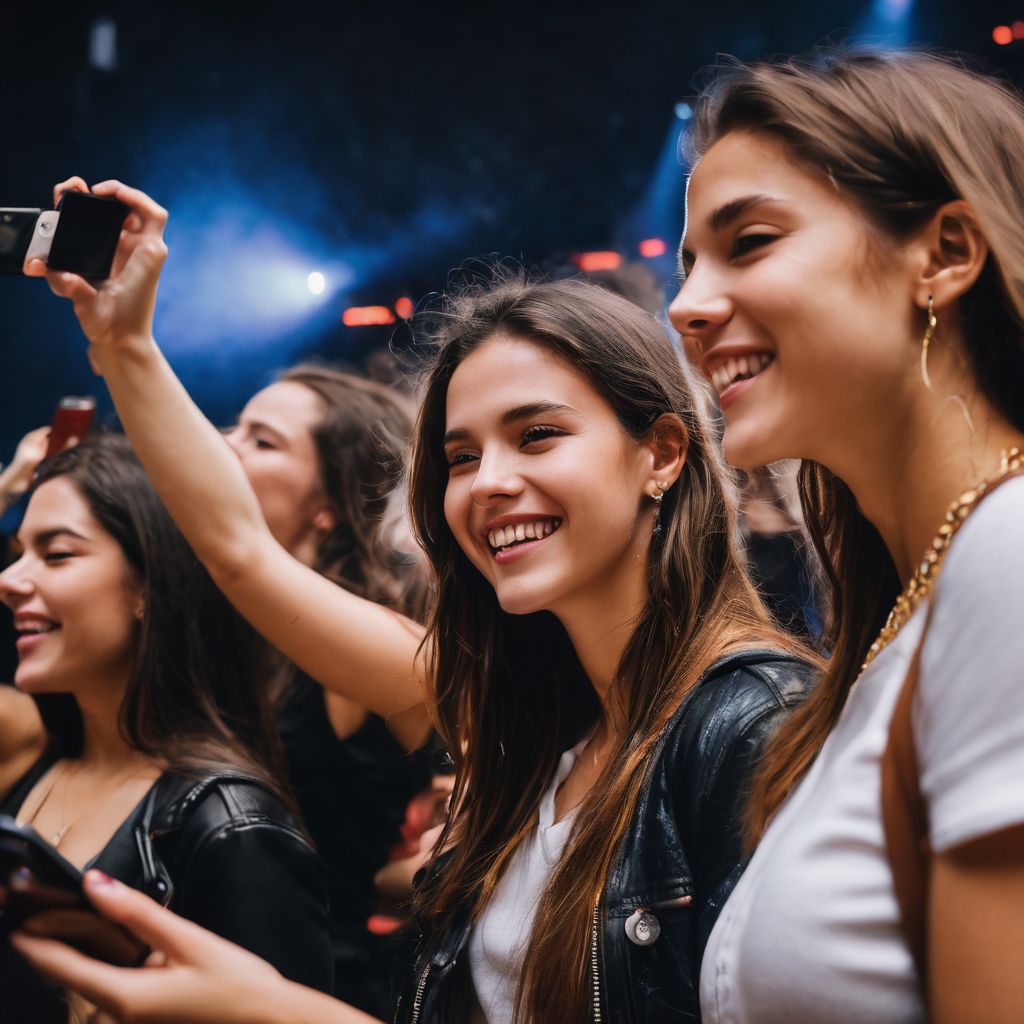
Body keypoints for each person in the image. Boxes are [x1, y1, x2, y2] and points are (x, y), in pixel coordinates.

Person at [13, 184, 815, 1023]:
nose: (492, 483)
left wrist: (274, 1012)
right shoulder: (517, 724)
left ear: (662, 453)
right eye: (462, 456)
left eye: (537, 434)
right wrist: (125, 344)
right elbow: (239, 554)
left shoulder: (755, 726)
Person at [663, 47, 1024, 1022]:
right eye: (691, 259)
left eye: (749, 242)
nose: (685, 305)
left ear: (944, 254)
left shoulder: (1009, 553)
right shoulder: (915, 600)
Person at [0, 436, 332, 1021]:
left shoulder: (232, 825)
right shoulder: (47, 763)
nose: (9, 580)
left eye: (56, 555)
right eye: (16, 552)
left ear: (148, 586)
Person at [224, 363, 432, 1013]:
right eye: (235, 425)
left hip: (313, 986)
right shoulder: (210, 620)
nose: (222, 444)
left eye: (262, 440)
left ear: (329, 506)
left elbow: (232, 548)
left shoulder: (371, 641)